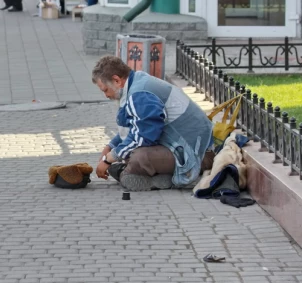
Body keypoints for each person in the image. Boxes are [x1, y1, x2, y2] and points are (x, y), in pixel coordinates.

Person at [91, 56, 215, 192]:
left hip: (199, 155)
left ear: (117, 80)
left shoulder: (139, 94)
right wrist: (111, 146)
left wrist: (109, 159)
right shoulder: (137, 83)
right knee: (127, 154)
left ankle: (174, 178)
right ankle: (139, 174)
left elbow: (143, 137)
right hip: (187, 147)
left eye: (105, 90)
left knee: (137, 157)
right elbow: (134, 127)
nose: (106, 95)